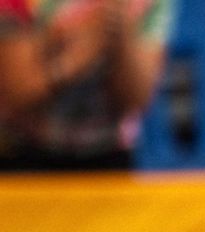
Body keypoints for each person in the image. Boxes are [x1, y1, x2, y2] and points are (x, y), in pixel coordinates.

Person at [0, 0, 169, 171]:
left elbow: (136, 100)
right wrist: (74, 57)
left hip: (109, 157)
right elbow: (17, 92)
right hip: (23, 154)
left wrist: (122, 36)